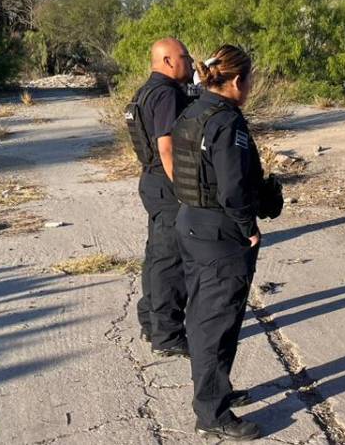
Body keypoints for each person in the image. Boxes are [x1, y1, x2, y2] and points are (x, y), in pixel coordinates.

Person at [171, 44, 283, 440]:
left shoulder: (193, 109)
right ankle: (211, 414)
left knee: (206, 318)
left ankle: (216, 392)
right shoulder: (226, 121)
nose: (250, 87)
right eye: (249, 80)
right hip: (219, 235)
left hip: (191, 224)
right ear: (237, 80)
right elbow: (233, 189)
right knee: (215, 323)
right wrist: (247, 226)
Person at [126, 38, 194, 357]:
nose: (191, 62)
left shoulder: (147, 90)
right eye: (185, 56)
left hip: (152, 181)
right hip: (166, 184)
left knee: (157, 255)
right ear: (167, 61)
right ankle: (167, 335)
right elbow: (166, 147)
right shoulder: (167, 94)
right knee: (171, 261)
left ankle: (150, 322)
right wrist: (185, 190)